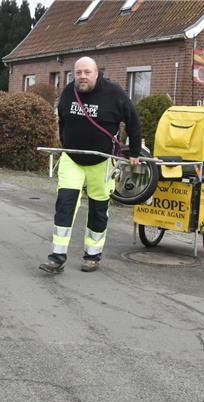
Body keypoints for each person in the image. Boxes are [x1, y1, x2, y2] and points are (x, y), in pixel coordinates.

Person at [39, 57, 142, 274]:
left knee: (98, 208)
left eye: (87, 72)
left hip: (102, 161)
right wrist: (65, 143)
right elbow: (63, 120)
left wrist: (133, 153)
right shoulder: (68, 92)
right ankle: (57, 256)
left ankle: (93, 255)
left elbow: (133, 120)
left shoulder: (114, 94)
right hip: (72, 158)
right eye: (78, 73)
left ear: (97, 73)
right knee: (65, 204)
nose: (82, 76)